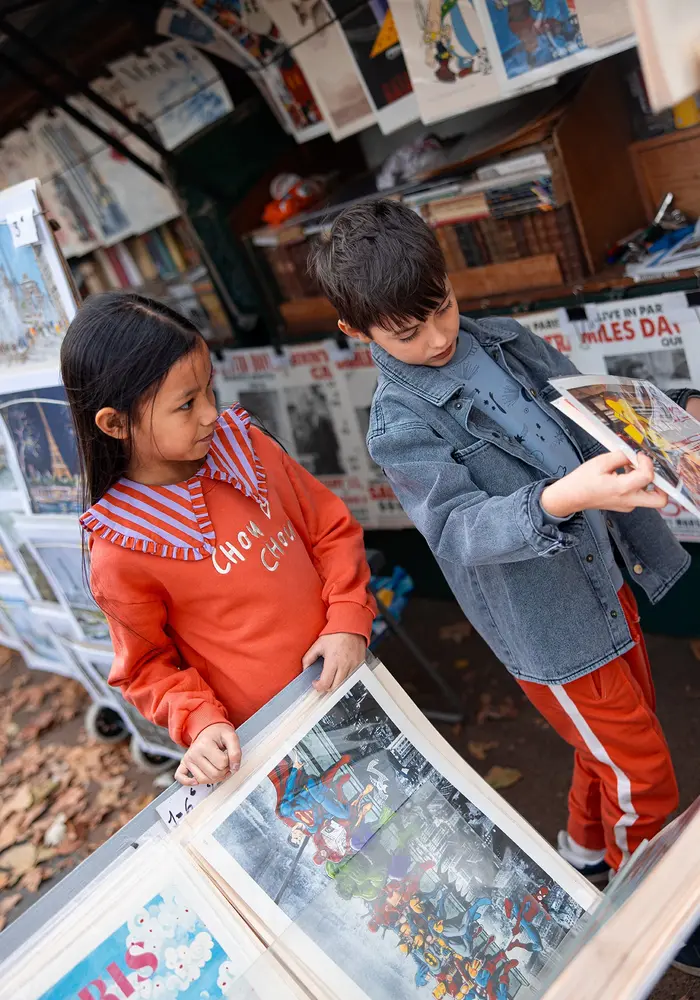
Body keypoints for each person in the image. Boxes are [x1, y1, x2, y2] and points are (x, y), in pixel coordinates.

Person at [311, 202, 700, 906]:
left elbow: (596, 411)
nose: (436, 337)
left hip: (605, 579)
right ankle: (648, 909)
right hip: (552, 626)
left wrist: (675, 418)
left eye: (443, 307)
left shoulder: (505, 341)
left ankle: (584, 856)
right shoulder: (398, 424)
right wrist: (562, 498)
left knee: (610, 749)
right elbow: (459, 530)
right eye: (407, 330)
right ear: (354, 331)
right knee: (641, 775)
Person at [61, 292, 374, 787]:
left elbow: (329, 529)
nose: (210, 413)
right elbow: (146, 670)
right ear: (114, 423)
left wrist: (348, 619)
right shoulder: (120, 549)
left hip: (356, 676)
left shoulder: (246, 447)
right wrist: (201, 722)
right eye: (186, 404)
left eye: (209, 389)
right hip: (273, 747)